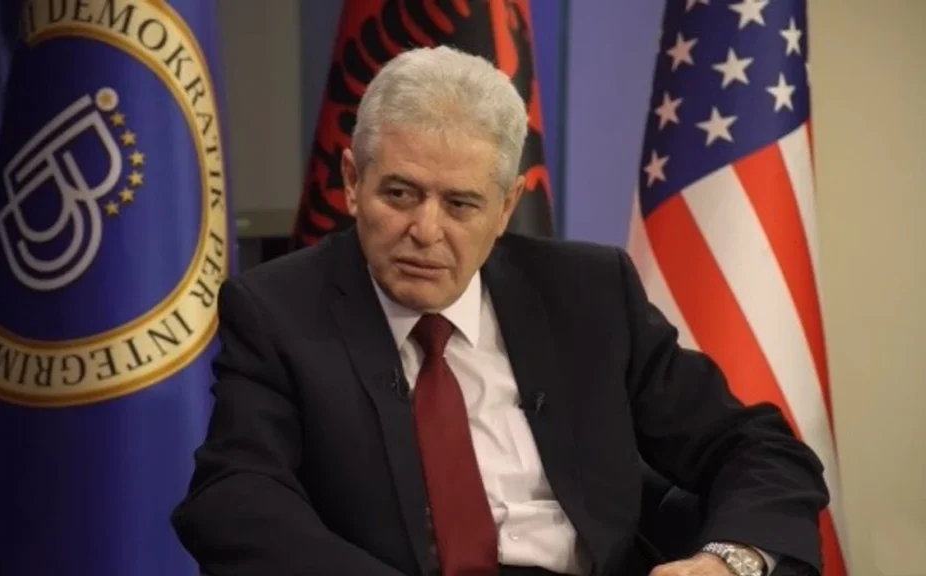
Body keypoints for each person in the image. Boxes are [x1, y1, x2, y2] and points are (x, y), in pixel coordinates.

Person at [171, 45, 829, 576]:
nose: (425, 231)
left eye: (460, 204)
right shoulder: (279, 309)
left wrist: (728, 562)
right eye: (399, 194)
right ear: (351, 182)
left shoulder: (587, 294)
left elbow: (757, 448)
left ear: (507, 206)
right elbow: (235, 498)